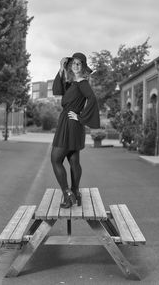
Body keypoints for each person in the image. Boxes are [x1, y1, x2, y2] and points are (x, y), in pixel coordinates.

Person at [51, 52, 100, 208]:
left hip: (71, 123)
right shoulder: (73, 83)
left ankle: (68, 194)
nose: (76, 66)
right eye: (73, 63)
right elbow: (58, 90)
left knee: (55, 159)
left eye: (79, 63)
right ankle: (75, 192)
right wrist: (61, 68)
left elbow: (92, 99)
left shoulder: (82, 82)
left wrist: (80, 117)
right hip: (71, 124)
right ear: (70, 66)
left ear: (83, 66)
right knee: (73, 160)